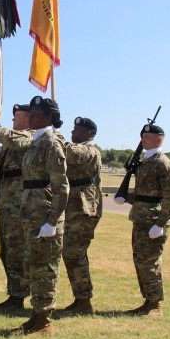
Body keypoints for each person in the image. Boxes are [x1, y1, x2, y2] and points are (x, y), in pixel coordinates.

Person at [7, 96, 68, 336]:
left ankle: (45, 321)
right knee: (33, 265)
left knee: (46, 267)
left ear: (48, 117)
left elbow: (61, 186)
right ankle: (36, 316)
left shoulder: (51, 144)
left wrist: (52, 221)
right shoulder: (36, 141)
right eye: (29, 113)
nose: (29, 117)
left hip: (44, 215)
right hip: (32, 213)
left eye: (34, 114)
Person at [115, 124, 170, 317]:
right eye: (142, 137)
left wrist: (160, 224)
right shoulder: (145, 162)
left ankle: (156, 304)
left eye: (147, 137)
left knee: (150, 262)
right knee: (140, 261)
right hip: (141, 218)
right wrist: (125, 197)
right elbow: (145, 196)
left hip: (153, 221)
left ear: (159, 139)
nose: (143, 140)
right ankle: (148, 300)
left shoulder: (163, 164)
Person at [0, 104, 33, 310]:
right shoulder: (12, 139)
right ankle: (13, 292)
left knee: (18, 250)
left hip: (20, 205)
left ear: (28, 119)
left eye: (17, 116)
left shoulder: (31, 136)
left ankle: (19, 295)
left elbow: (19, 142)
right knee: (6, 250)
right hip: (6, 204)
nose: (13, 120)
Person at [61, 117, 103, 315]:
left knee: (75, 252)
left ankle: (84, 300)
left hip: (83, 208)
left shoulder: (90, 151)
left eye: (76, 130)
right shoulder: (77, 147)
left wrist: (53, 135)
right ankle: (80, 298)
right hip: (72, 205)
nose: (72, 133)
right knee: (70, 253)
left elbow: (71, 153)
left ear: (89, 134)